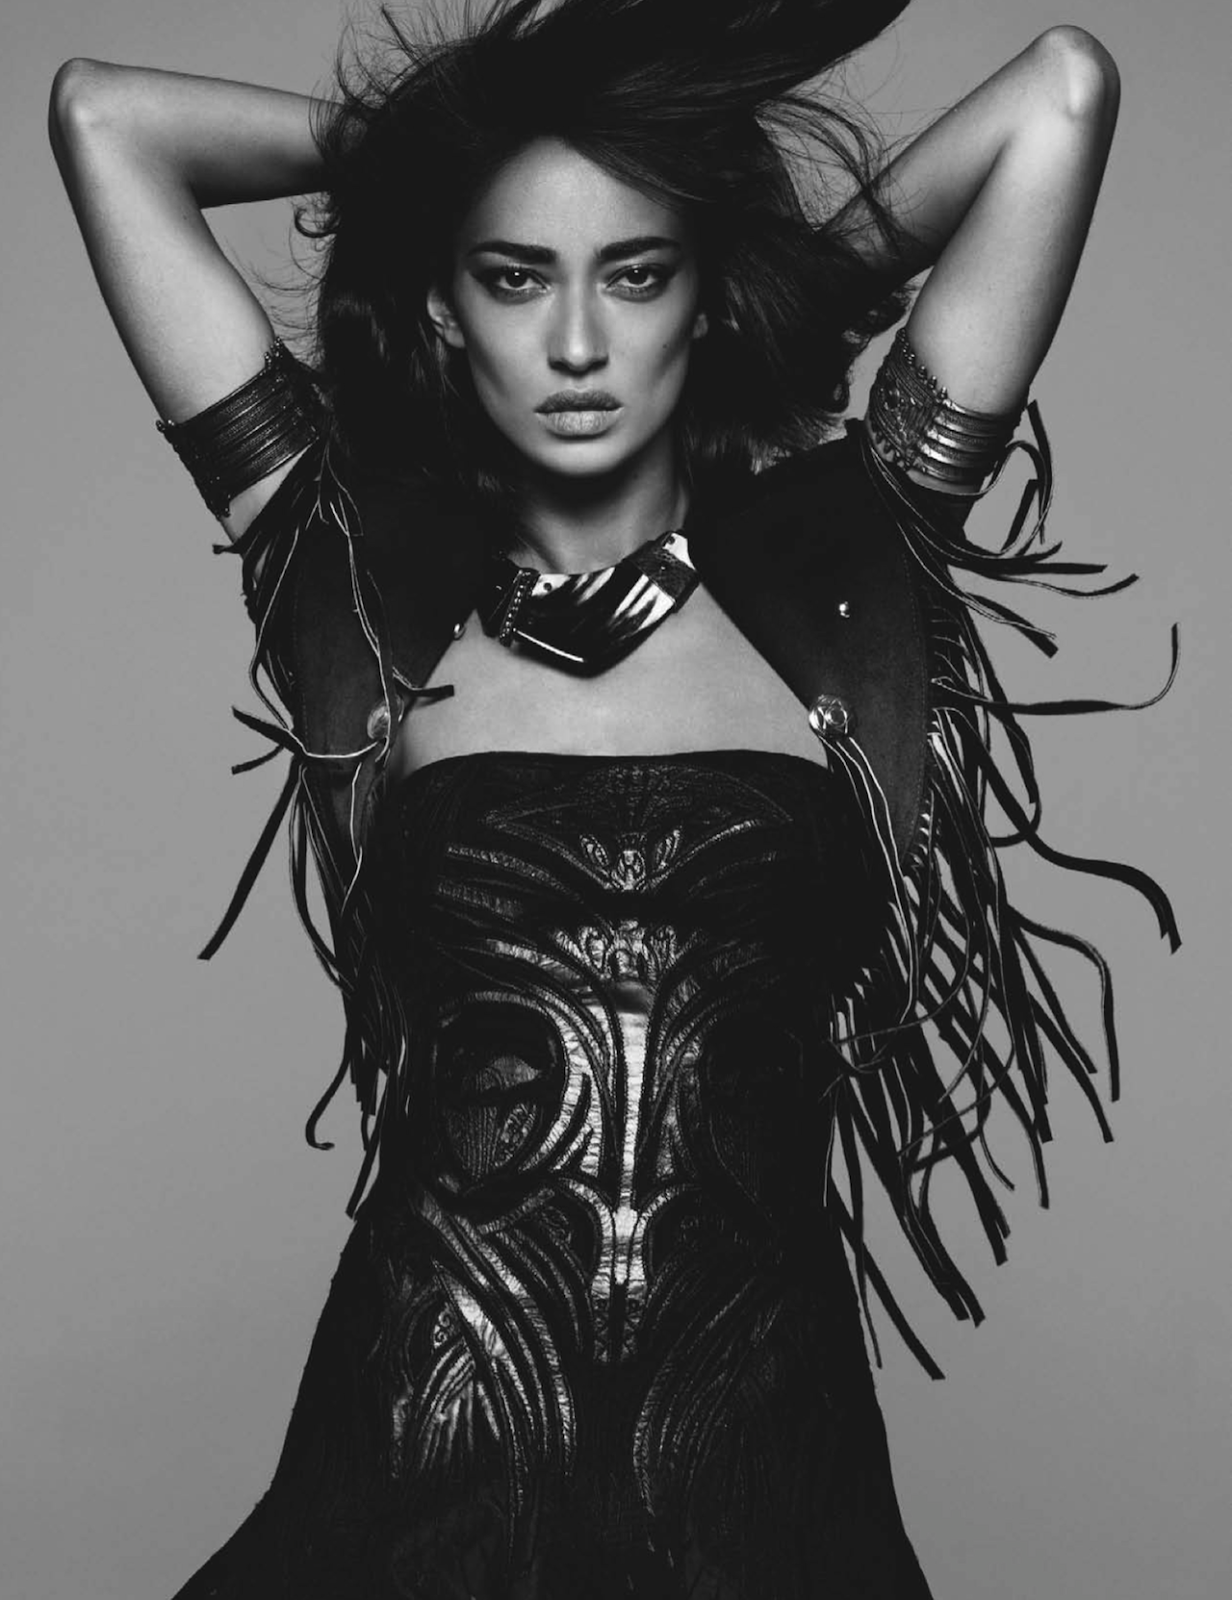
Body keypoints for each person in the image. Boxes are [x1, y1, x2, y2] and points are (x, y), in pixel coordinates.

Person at [48, 2, 1178, 1595]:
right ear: (444, 307)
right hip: (417, 1467)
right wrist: (464, 142)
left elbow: (1062, 94)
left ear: (696, 295)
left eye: (635, 276)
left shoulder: (843, 566)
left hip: (765, 1490)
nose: (578, 343)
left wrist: (757, 273)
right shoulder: (355, 583)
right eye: (516, 277)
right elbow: (104, 121)